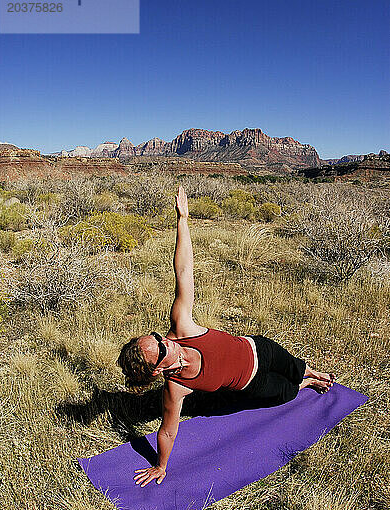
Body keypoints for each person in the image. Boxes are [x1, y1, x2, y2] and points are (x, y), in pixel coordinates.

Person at [118, 186, 336, 488]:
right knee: (288, 391)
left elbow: (183, 272)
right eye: (159, 348)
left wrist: (183, 219)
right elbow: (167, 431)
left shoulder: (182, 328)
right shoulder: (176, 388)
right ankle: (309, 381)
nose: (164, 341)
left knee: (293, 364)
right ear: (157, 370)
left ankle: (310, 372)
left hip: (260, 347)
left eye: (157, 337)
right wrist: (161, 465)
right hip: (253, 383)